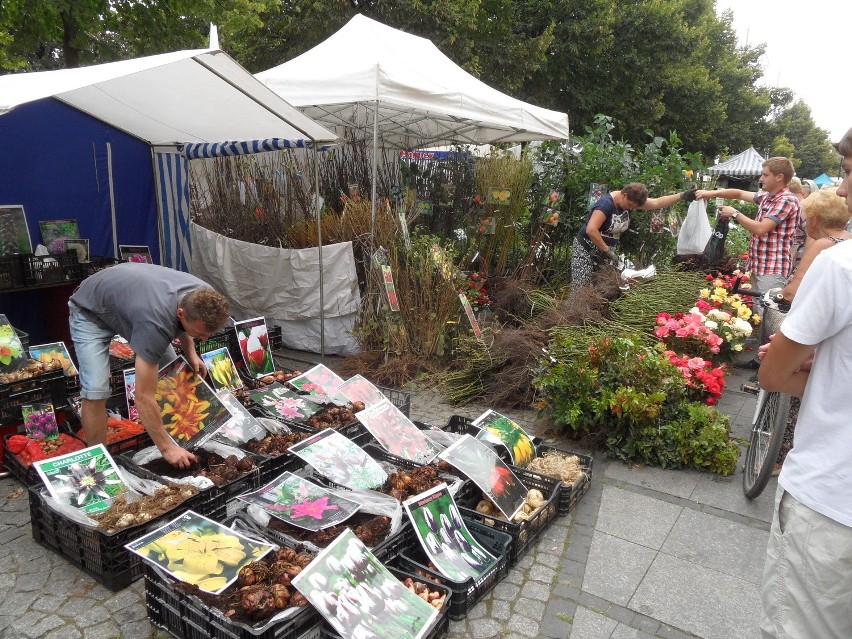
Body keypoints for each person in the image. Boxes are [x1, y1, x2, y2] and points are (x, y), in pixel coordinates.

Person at [757, 126, 852, 638]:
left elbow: (774, 374)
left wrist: (814, 369)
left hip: (833, 499)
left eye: (849, 171)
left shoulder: (840, 266)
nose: (842, 188)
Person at [68, 263, 230, 469]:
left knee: (174, 375)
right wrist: (166, 449)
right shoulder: (155, 322)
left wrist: (191, 352)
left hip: (131, 301)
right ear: (181, 313)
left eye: (208, 333)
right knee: (96, 390)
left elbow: (185, 324)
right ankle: (99, 463)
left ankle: (188, 443)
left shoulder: (206, 296)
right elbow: (143, 397)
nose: (205, 338)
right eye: (200, 333)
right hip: (91, 310)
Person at [697, 157, 801, 294]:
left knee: (767, 312)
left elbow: (761, 229)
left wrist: (735, 213)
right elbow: (739, 193)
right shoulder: (767, 197)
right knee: (758, 309)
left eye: (765, 175)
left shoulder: (786, 200)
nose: (761, 179)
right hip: (760, 266)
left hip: (772, 268)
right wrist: (710, 193)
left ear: (779, 177)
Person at [571, 182, 696, 286]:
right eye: (630, 205)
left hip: (605, 251)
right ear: (624, 195)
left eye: (634, 207)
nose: (630, 209)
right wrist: (608, 251)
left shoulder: (631, 201)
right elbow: (591, 230)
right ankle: (571, 314)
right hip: (586, 249)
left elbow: (658, 203)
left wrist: (682, 195)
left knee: (601, 287)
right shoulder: (606, 204)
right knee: (581, 287)